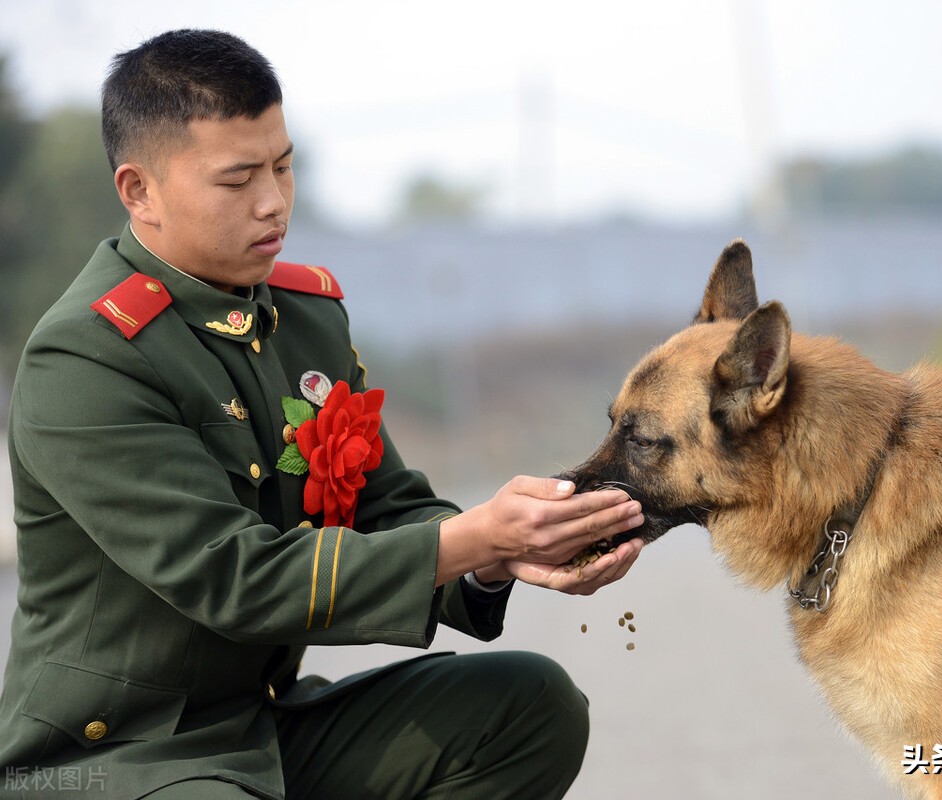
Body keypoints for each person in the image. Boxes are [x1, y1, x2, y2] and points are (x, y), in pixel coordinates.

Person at [0, 29, 645, 800]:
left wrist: (495, 557)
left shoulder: (304, 318)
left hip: (257, 729)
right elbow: (233, 579)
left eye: (282, 165)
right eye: (237, 179)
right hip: (110, 760)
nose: (273, 202)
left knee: (528, 708)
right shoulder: (87, 359)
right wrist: (471, 536)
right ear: (138, 190)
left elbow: (388, 506)